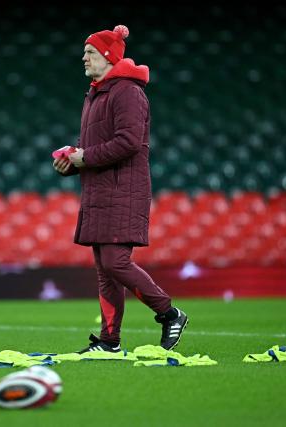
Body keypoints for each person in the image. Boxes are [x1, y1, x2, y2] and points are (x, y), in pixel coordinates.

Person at [53, 24, 188, 352]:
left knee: (115, 262)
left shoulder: (127, 91)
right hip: (99, 192)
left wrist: (84, 157)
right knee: (105, 272)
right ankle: (109, 341)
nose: (83, 57)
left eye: (90, 52)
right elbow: (94, 150)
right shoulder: (95, 93)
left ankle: (169, 313)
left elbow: (128, 142)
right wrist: (72, 162)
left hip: (122, 191)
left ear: (109, 56)